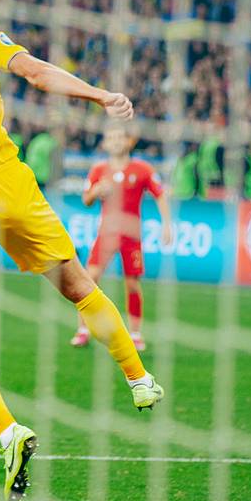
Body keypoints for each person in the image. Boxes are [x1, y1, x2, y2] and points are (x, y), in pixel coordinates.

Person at [0, 0, 163, 501]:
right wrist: (98, 95)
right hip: (10, 185)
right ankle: (138, 379)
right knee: (79, 286)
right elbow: (35, 74)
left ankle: (7, 430)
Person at [72, 126, 174, 350]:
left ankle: (135, 334)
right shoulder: (99, 170)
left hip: (131, 236)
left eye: (120, 137)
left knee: (132, 283)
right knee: (90, 278)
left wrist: (167, 225)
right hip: (106, 233)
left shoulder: (143, 169)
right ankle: (83, 329)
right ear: (106, 144)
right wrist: (96, 191)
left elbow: (160, 195)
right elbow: (86, 200)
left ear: (129, 142)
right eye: (111, 137)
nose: (116, 141)